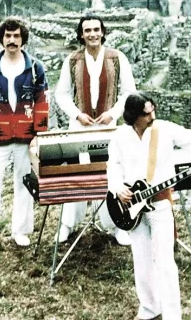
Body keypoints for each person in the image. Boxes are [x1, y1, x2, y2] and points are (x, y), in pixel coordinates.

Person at [107, 92, 191, 320]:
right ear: (134, 116)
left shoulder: (164, 129)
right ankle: (149, 308)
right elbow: (112, 165)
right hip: (132, 208)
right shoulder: (120, 136)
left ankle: (172, 315)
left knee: (164, 262)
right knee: (141, 260)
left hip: (160, 204)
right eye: (147, 113)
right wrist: (117, 188)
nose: (152, 115)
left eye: (153, 109)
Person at [0, 17, 49, 256]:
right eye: (7, 36)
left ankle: (20, 231)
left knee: (24, 182)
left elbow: (42, 102)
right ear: (2, 38)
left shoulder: (35, 67)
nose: (12, 40)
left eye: (16, 36)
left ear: (22, 38)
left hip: (26, 136)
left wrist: (39, 134)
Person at [54, 15, 136, 246]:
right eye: (87, 30)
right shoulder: (72, 60)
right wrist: (77, 114)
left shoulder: (117, 58)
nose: (92, 34)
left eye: (96, 30)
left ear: (103, 32)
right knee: (76, 174)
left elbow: (128, 92)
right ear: (81, 34)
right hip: (80, 128)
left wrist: (114, 113)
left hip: (108, 128)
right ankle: (68, 225)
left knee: (111, 174)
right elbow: (61, 94)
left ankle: (115, 225)